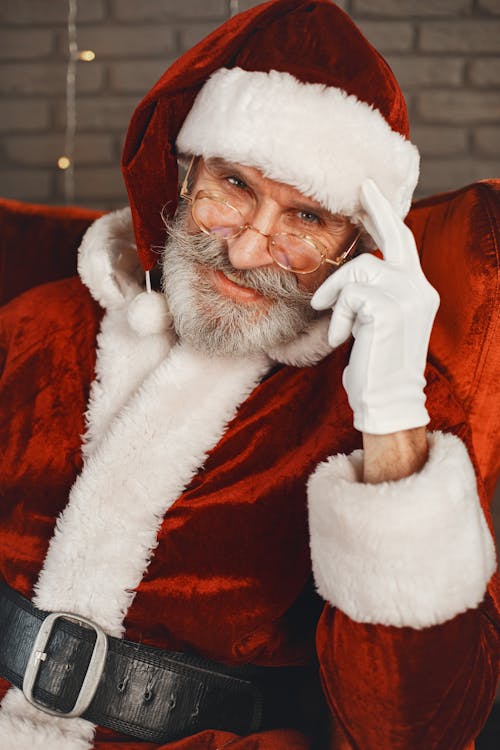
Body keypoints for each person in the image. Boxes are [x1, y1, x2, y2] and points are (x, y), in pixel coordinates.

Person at [0, 1, 498, 748]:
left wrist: (391, 412)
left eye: (306, 219)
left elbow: (415, 727)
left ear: (356, 245)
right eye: (232, 185)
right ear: (184, 168)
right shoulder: (41, 325)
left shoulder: (378, 412)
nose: (245, 252)